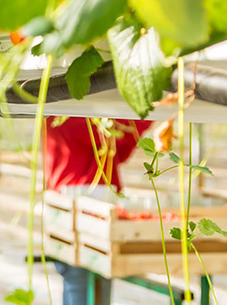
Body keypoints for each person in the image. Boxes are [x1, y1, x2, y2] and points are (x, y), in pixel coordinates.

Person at [42, 116, 159, 305]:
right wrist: (149, 111)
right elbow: (112, 132)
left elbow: (119, 148)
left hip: (94, 215)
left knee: (97, 280)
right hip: (74, 214)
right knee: (77, 277)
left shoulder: (87, 116)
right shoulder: (64, 113)